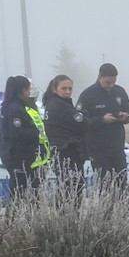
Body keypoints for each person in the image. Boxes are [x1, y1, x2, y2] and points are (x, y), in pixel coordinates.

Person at [78, 62, 129, 187]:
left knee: (122, 184)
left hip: (117, 148)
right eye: (108, 83)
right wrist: (101, 120)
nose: (111, 85)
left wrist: (125, 117)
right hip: (98, 150)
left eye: (113, 82)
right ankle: (106, 206)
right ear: (99, 77)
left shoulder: (119, 92)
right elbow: (81, 122)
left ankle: (120, 207)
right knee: (104, 186)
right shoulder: (87, 95)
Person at [0, 75, 48, 205]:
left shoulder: (20, 107)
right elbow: (17, 134)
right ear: (22, 90)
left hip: (27, 160)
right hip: (19, 159)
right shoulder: (15, 109)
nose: (29, 92)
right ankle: (12, 224)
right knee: (18, 199)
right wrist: (36, 132)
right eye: (28, 89)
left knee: (27, 199)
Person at [43, 74, 86, 203]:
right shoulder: (59, 105)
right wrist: (85, 115)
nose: (68, 92)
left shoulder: (59, 104)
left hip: (69, 154)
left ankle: (69, 221)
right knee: (69, 193)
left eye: (70, 88)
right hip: (65, 154)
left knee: (73, 191)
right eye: (64, 88)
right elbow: (82, 123)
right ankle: (67, 222)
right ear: (54, 89)